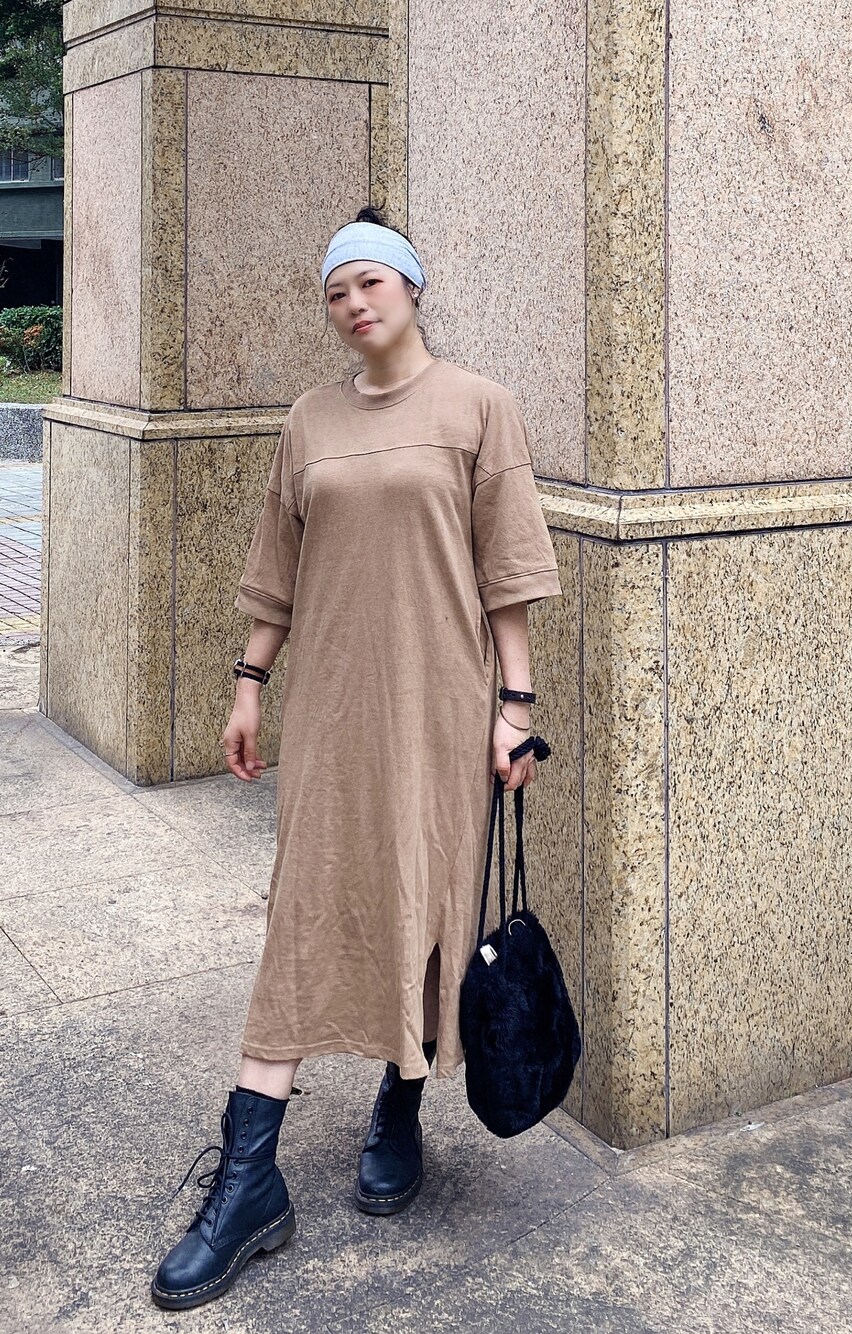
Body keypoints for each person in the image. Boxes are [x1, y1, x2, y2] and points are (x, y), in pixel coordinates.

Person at [149, 207, 563, 1311]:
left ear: (412, 288)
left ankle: (400, 1104)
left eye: (370, 282)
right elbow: (276, 567)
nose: (352, 304)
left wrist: (514, 706)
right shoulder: (309, 420)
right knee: (305, 911)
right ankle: (251, 1178)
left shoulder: (478, 406)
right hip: (331, 707)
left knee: (424, 901)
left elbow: (508, 570)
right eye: (336, 291)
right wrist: (249, 682)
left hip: (443, 705)